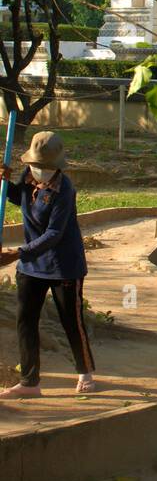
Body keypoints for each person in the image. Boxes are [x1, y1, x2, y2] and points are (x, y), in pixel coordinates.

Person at [0, 130, 94, 397]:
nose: (39, 171)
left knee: (71, 321)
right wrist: (5, 184)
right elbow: (21, 199)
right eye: (36, 165)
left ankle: (85, 372)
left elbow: (54, 234)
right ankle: (30, 382)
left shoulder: (65, 190)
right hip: (31, 265)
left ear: (56, 166)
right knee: (25, 320)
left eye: (44, 167)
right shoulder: (28, 177)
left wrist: (16, 253)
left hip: (63, 265)